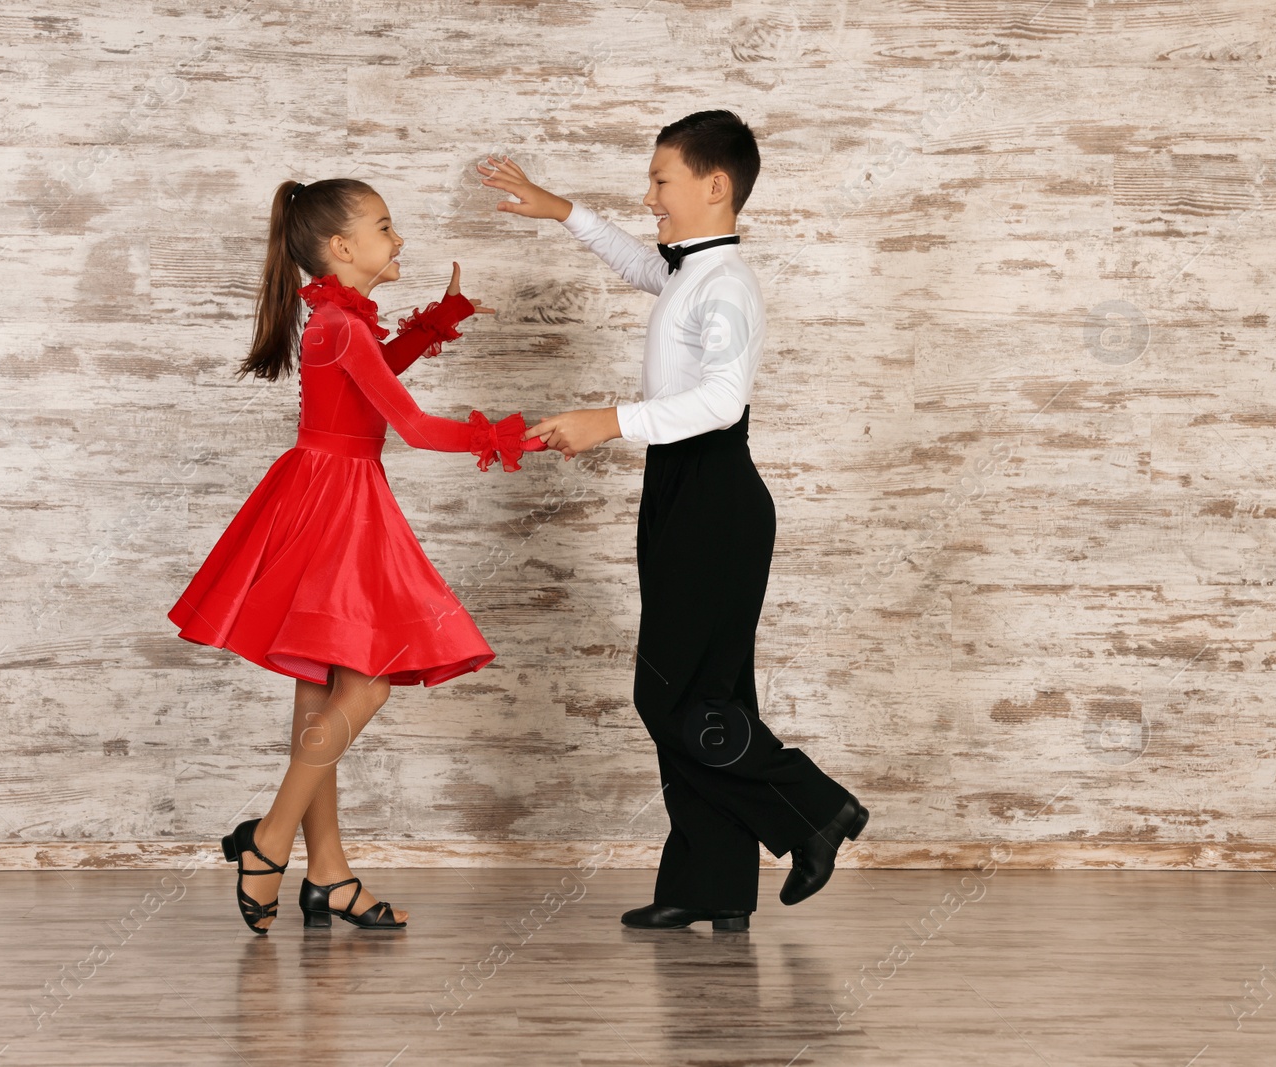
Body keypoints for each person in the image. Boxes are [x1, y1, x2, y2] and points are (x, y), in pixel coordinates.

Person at [478, 111, 868, 931]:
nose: (648, 196)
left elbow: (723, 402)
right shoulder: (692, 271)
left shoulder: (725, 283)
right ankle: (711, 882)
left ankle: (817, 807)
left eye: (661, 180)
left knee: (674, 699)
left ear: (713, 186)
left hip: (716, 498)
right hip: (682, 490)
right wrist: (561, 211)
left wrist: (608, 419)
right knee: (711, 694)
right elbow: (637, 262)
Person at [168, 177, 544, 934]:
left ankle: (329, 873)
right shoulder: (338, 326)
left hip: (331, 496)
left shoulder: (341, 324)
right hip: (337, 505)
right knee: (364, 685)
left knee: (322, 691)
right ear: (344, 249)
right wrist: (506, 436)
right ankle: (269, 841)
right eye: (384, 225)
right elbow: (407, 425)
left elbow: (369, 382)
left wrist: (436, 322)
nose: (397, 238)